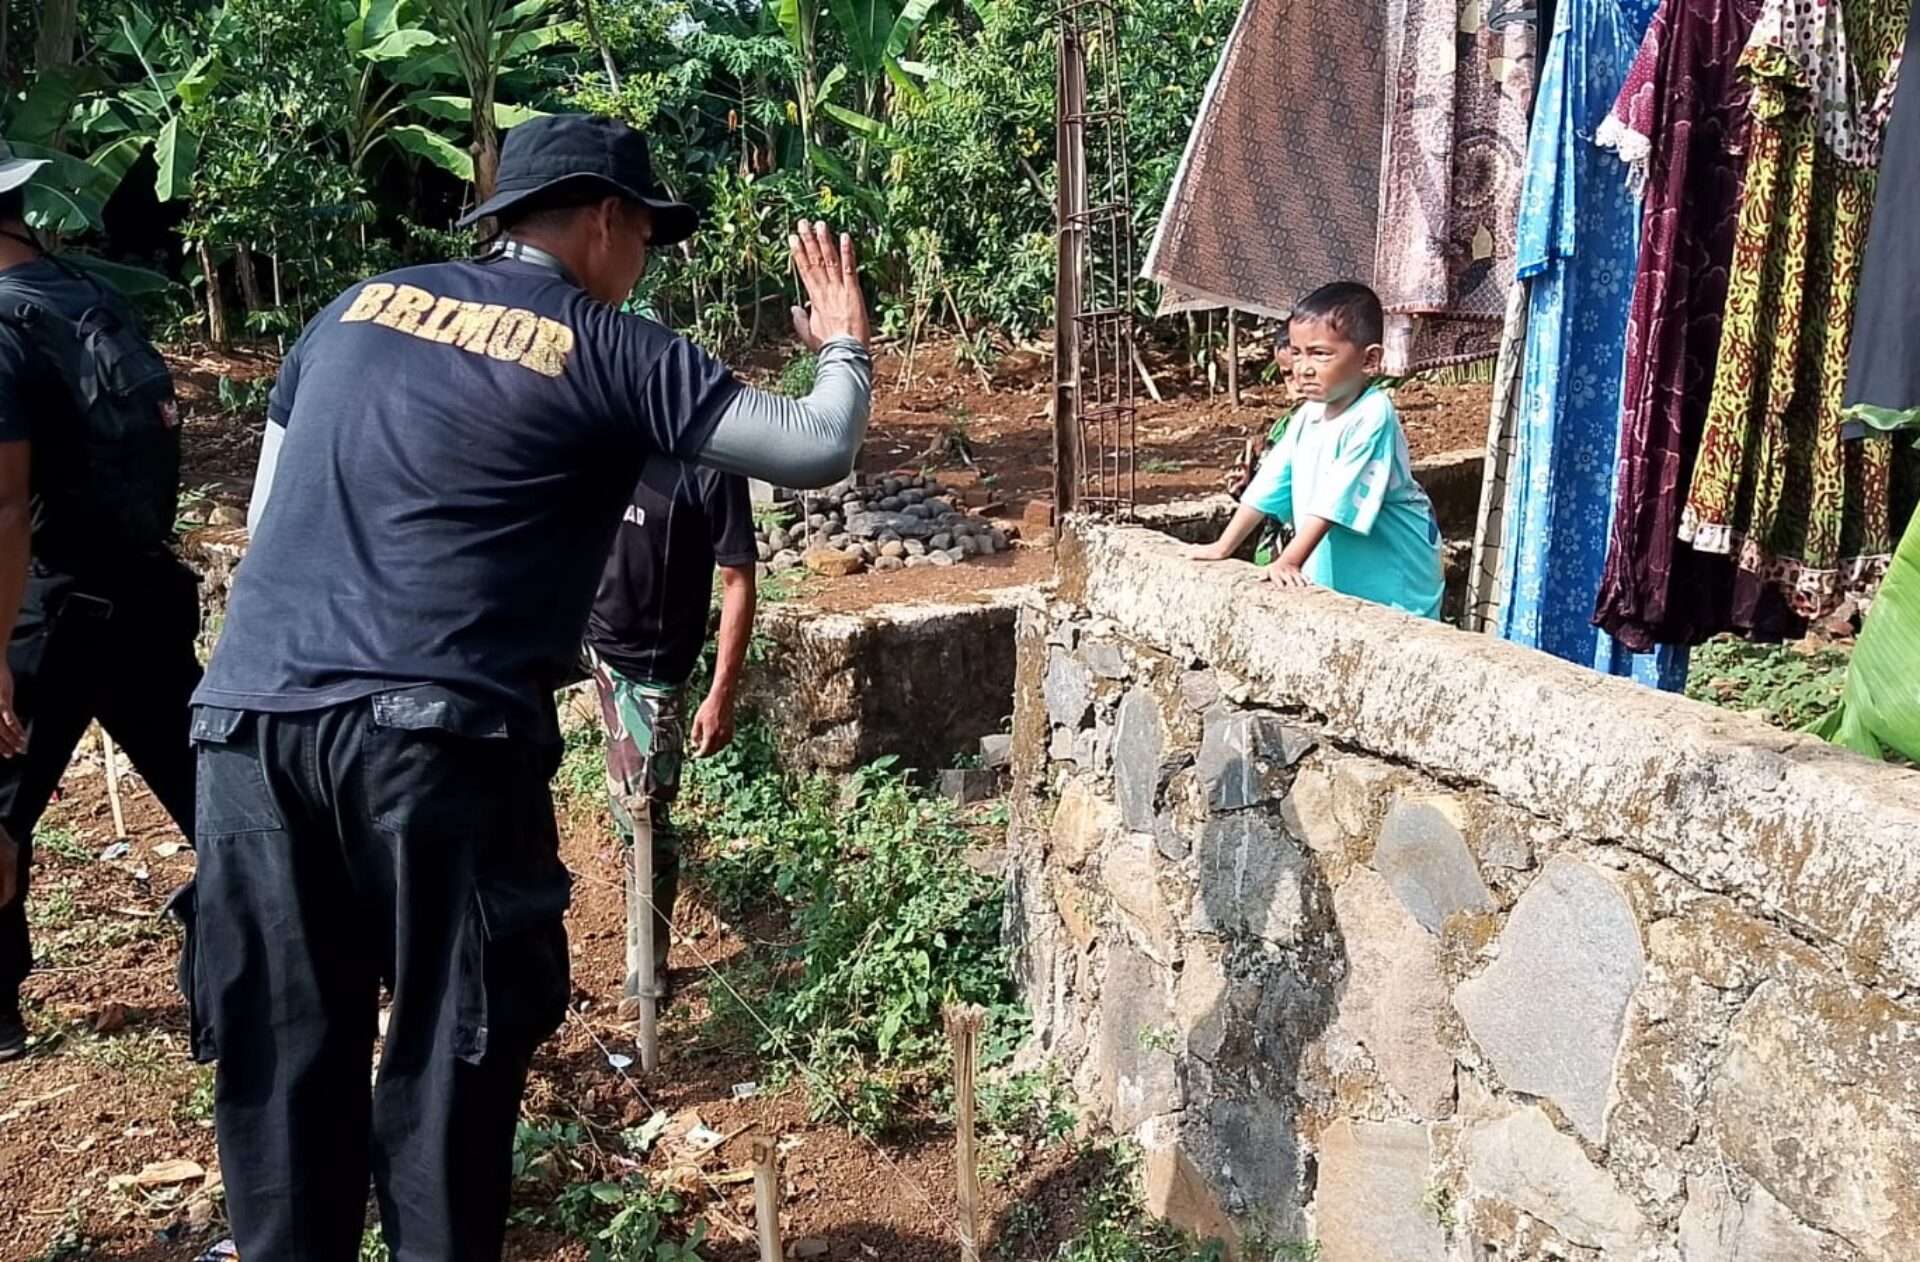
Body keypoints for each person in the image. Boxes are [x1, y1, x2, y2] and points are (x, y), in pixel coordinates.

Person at [191, 114, 872, 1261]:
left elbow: (266, 530)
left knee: (284, 1047)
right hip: (433, 739)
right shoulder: (611, 345)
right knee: (450, 1047)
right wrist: (844, 342)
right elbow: (816, 445)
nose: (646, 260)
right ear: (607, 219)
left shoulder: (349, 313)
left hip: (246, 724)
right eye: (648, 234)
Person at [0, 141, 200, 1062]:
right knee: (220, 804)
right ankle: (240, 979)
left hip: (49, 603)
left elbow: (6, 506)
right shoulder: (88, 294)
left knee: (0, 811)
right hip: (145, 590)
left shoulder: (1, 328)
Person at [584, 456, 757, 1012]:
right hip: (578, 629)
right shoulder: (604, 428)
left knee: (642, 815)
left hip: (648, 667)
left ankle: (647, 965)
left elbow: (737, 580)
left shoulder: (710, 462)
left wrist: (720, 694)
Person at [1193, 282, 1444, 619]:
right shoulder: (1308, 414)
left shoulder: (1373, 414)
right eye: (1297, 353)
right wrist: (1223, 547)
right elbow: (1270, 481)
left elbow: (1337, 497)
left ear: (1369, 359)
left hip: (1395, 568)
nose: (1303, 368)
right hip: (1342, 562)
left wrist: (1290, 559)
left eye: (1320, 353)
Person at [1224, 321, 1302, 566]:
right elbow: (1269, 490)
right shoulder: (1282, 428)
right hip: (1276, 551)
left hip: (1305, 554)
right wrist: (1245, 486)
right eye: (1288, 374)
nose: (1298, 384)